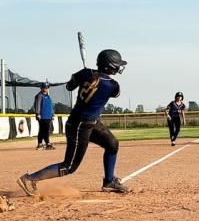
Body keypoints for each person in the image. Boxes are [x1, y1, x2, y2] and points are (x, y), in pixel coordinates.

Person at [17, 49, 130, 195]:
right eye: (116, 65)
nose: (118, 67)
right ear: (109, 66)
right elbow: (115, 93)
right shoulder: (112, 85)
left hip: (91, 123)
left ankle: (109, 181)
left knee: (112, 144)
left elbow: (69, 86)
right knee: (69, 166)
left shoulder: (85, 74)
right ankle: (30, 178)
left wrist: (82, 76)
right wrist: (90, 78)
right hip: (79, 126)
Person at [33, 82, 58, 150]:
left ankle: (44, 143)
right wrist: (38, 114)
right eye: (44, 88)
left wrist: (52, 114)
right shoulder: (39, 95)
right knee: (43, 130)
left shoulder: (48, 96)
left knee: (45, 130)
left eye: (47, 88)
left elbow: (50, 106)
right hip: (42, 116)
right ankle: (44, 144)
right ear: (41, 88)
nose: (45, 89)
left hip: (48, 116)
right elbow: (37, 105)